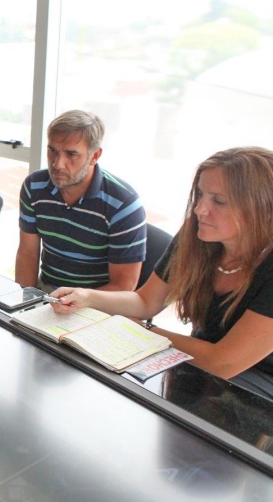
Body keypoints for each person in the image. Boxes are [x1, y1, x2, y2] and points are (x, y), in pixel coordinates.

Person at [50, 147, 273, 401]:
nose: (200, 209)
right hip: (201, 373)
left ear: (264, 208)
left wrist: (144, 332)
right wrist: (87, 297)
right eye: (200, 194)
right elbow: (146, 301)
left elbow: (223, 362)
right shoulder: (196, 237)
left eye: (219, 201)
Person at [16, 109, 147, 292]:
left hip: (98, 301)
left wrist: (69, 303)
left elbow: (123, 286)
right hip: (47, 291)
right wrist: (23, 299)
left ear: (94, 156)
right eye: (52, 150)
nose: (57, 164)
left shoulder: (123, 204)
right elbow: (27, 253)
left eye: (71, 154)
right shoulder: (34, 186)